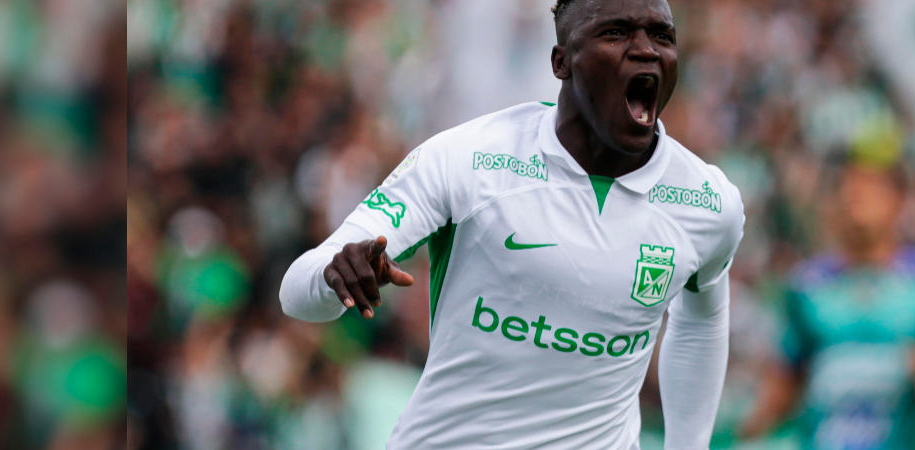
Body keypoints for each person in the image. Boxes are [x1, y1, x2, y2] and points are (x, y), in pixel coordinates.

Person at [278, 0, 744, 448]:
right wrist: (333, 276)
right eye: (616, 32)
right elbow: (296, 293)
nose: (646, 49)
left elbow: (703, 320)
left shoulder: (707, 203)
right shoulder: (468, 159)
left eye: (662, 35)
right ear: (561, 62)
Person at [739, 157, 915, 450]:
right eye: (845, 189)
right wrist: (752, 427)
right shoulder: (806, 286)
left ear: (898, 201)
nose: (853, 197)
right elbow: (786, 374)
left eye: (868, 187)